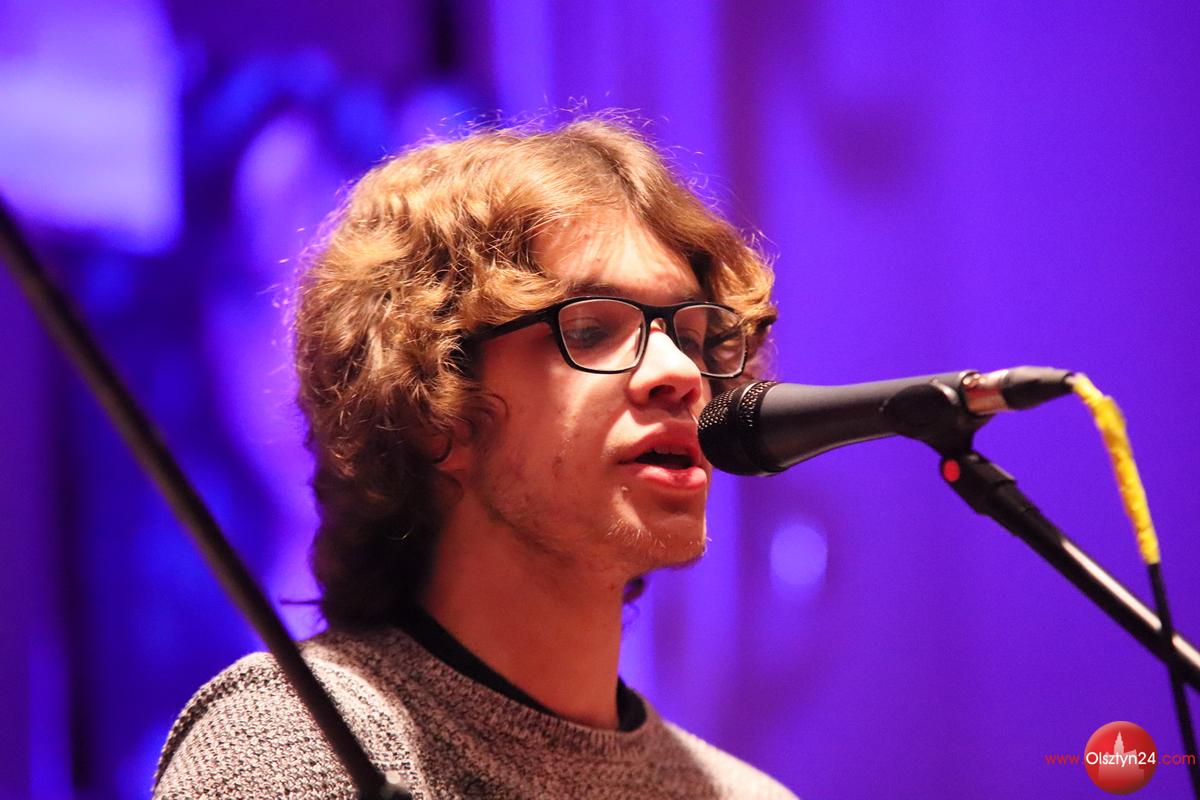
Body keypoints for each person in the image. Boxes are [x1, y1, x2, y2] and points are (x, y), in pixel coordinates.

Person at [152, 116, 793, 799]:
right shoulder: (295, 745)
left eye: (694, 337)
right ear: (435, 412)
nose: (682, 373)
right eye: (590, 329)